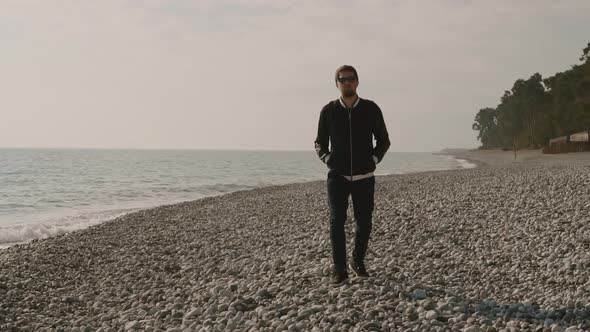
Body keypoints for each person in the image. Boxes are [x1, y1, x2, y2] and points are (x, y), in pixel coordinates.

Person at [314, 65, 391, 285]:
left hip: (364, 177)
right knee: (337, 221)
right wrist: (327, 159)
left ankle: (357, 261)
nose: (347, 82)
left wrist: (374, 160)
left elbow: (384, 140)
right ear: (336, 83)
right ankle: (340, 270)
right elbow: (319, 142)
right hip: (337, 177)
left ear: (357, 82)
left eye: (351, 78)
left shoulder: (371, 109)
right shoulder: (328, 111)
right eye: (342, 79)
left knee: (364, 222)